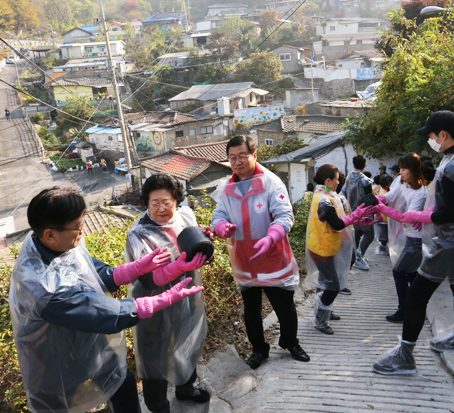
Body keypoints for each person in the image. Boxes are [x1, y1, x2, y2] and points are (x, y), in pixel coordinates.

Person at [9, 187, 204, 412]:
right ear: (50, 234)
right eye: (78, 226)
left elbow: (91, 273)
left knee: (123, 384)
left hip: (88, 341)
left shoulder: (54, 241)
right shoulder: (40, 286)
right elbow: (98, 311)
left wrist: (135, 268)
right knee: (59, 403)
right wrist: (161, 300)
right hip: (53, 358)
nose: (83, 230)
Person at [372, 110, 454, 375]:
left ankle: (404, 356)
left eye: (430, 135)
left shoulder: (451, 165)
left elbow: (450, 213)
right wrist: (427, 216)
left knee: (416, 294)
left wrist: (421, 216)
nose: (429, 140)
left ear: (442, 134)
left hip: (450, 240)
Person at [211, 136, 310, 369]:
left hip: (273, 257)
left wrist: (271, 236)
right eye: (232, 158)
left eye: (242, 156)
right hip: (244, 260)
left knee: (284, 305)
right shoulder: (227, 187)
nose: (237, 162)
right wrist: (220, 226)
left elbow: (285, 215)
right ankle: (258, 349)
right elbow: (219, 214)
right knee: (251, 310)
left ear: (254, 156)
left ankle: (290, 342)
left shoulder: (271, 183)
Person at [125, 175, 212, 413]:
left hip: (186, 292)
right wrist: (178, 267)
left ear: (177, 200)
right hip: (154, 300)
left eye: (167, 202)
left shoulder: (185, 216)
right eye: (155, 203)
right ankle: (158, 405)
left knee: (188, 338)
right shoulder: (139, 232)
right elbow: (148, 278)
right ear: (147, 202)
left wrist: (204, 246)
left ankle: (185, 387)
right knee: (154, 352)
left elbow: (194, 250)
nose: (162, 208)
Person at [306, 164, 378, 334]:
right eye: (337, 180)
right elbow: (338, 223)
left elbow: (343, 218)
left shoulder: (330, 195)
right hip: (321, 247)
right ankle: (320, 320)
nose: (339, 182)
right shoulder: (323, 199)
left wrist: (357, 218)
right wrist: (356, 216)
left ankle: (324, 310)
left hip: (327, 245)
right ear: (328, 180)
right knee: (332, 285)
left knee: (326, 282)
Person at [374, 153, 429, 323]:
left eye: (404, 169)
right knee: (411, 275)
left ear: (413, 170)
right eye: (401, 169)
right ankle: (414, 309)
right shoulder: (402, 183)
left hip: (416, 239)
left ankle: (404, 311)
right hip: (408, 236)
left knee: (399, 272)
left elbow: (407, 217)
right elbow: (389, 197)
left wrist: (381, 208)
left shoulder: (420, 192)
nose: (401, 172)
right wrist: (376, 199)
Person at [342, 155, 375, 271]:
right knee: (369, 235)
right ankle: (359, 256)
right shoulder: (366, 181)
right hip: (364, 213)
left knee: (356, 235)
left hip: (352, 213)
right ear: (365, 164)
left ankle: (355, 257)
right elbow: (369, 198)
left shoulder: (348, 178)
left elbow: (343, 193)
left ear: (353, 165)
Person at [373, 174, 396, 256]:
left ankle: (383, 248)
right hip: (384, 218)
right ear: (387, 184)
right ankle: (382, 249)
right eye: (390, 183)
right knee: (384, 237)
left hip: (386, 218)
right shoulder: (384, 193)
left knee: (385, 235)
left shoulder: (382, 190)